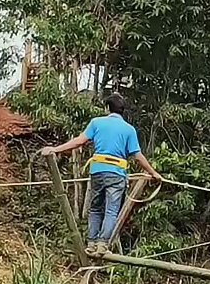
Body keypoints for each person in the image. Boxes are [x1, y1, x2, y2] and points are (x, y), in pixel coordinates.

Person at [39, 92, 163, 255]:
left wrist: (55, 149)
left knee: (96, 208)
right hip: (117, 173)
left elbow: (79, 141)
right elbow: (137, 156)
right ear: (122, 110)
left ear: (107, 108)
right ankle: (102, 245)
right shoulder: (129, 129)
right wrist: (154, 173)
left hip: (98, 171)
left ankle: (91, 243)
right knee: (111, 210)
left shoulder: (96, 123)